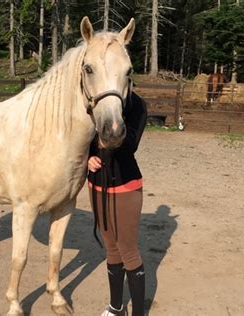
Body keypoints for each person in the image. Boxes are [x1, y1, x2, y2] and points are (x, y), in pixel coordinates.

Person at [87, 91, 147, 316]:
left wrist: (103, 139)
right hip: (96, 185)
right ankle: (116, 307)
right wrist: (87, 157)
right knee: (111, 247)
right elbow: (81, 138)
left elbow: (130, 143)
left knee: (128, 250)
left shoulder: (136, 104)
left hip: (125, 186)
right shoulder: (94, 100)